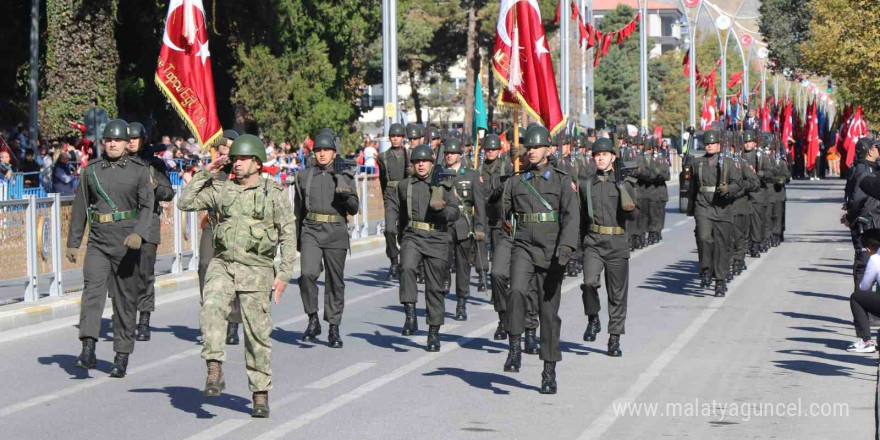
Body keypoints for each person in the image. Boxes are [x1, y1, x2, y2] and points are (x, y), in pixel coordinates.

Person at [178, 134, 296, 418]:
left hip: (257, 269)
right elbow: (185, 202)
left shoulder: (274, 194)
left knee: (257, 334)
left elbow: (289, 236)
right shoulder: (223, 189)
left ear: (257, 163)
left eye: (243, 159)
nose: (237, 164)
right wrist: (209, 170)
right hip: (224, 264)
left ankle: (259, 392)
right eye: (235, 159)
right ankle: (214, 367)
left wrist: (284, 274)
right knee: (211, 307)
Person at [66, 119, 155, 378]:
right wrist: (73, 242)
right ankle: (88, 348)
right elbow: (80, 207)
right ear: (103, 142)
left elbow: (147, 206)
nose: (113, 144)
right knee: (92, 291)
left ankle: (121, 354)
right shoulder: (91, 171)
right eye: (108, 140)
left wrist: (139, 232)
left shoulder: (139, 170)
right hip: (98, 241)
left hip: (127, 243)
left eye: (117, 140)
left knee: (125, 300)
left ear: (128, 144)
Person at [501, 125, 579, 394]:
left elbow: (572, 216)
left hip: (551, 250)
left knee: (548, 313)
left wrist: (567, 246)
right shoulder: (516, 180)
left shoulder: (561, 180)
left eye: (535, 147)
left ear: (548, 148)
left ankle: (548, 371)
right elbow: (503, 214)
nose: (531, 151)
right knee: (516, 292)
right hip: (523, 245)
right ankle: (514, 347)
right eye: (528, 147)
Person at [386, 144, 459, 351]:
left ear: (431, 162)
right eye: (417, 162)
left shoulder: (444, 183)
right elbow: (400, 213)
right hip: (413, 235)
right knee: (407, 267)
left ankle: (433, 333)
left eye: (424, 161)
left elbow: (455, 213)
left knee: (435, 288)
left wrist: (442, 211)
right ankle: (410, 315)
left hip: (437, 236)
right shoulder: (405, 185)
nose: (420, 165)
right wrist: (398, 234)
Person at [294, 132, 359, 347]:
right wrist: (297, 241)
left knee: (334, 280)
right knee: (307, 274)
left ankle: (333, 327)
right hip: (311, 229)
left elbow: (354, 209)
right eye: (318, 151)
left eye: (326, 150)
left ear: (334, 153)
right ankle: (313, 319)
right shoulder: (304, 176)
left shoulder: (345, 174)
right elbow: (299, 210)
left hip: (336, 231)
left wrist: (345, 191)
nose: (322, 154)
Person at [579, 138, 638, 356]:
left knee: (617, 295)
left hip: (617, 242)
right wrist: (577, 248)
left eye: (604, 154)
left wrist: (623, 190)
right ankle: (593, 318)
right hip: (593, 241)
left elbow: (635, 215)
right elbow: (581, 218)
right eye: (597, 154)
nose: (600, 157)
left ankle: (614, 338)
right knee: (588, 283)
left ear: (613, 157)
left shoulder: (625, 182)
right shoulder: (586, 184)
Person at [126, 122, 174, 342]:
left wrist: (154, 185)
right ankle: (126, 318)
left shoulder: (154, 164)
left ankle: (143, 319)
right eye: (128, 139)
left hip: (148, 223)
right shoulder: (118, 164)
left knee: (144, 273)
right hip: (123, 224)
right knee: (124, 274)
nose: (131, 142)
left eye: (135, 138)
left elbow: (168, 192)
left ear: (143, 140)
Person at [197, 130, 244, 345]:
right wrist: (209, 171)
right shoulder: (214, 170)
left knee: (233, 272)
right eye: (222, 146)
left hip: (235, 228)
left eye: (229, 146)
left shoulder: (242, 170)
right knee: (206, 265)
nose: (225, 150)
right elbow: (195, 190)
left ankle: (233, 321)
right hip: (213, 225)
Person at [686, 130, 744, 296]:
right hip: (703, 205)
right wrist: (691, 208)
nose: (710, 146)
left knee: (721, 245)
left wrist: (729, 189)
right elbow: (693, 188)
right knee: (704, 237)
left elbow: (738, 184)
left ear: (719, 145)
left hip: (722, 207)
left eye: (713, 143)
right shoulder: (698, 162)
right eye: (707, 144)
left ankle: (720, 280)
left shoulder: (728, 162)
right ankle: (705, 268)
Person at [443, 138, 487, 321]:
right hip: (444, 226)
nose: (448, 156)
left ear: (459, 155)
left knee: (463, 267)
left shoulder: (471, 175)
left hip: (463, 225)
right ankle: (443, 288)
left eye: (452, 153)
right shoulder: (439, 174)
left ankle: (461, 302)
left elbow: (480, 205)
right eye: (446, 153)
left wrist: (479, 227)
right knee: (441, 262)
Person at [479, 134, 519, 340]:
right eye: (487, 149)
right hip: (487, 221)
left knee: (507, 273)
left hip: (506, 224)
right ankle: (502, 316)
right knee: (495, 271)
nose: (490, 152)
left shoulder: (507, 166)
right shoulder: (479, 169)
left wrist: (516, 159)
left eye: (493, 149)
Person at [844, 138, 880, 288]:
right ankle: (862, 301)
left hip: (871, 220)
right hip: (866, 222)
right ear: (870, 151)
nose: (878, 150)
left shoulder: (866, 168)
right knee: (863, 262)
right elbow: (858, 199)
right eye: (876, 147)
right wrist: (850, 217)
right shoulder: (864, 170)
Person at [376, 123, 411, 280]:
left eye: (398, 136)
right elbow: (382, 178)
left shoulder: (409, 154)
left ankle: (407, 261)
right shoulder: (382, 157)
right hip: (390, 194)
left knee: (405, 230)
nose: (395, 139)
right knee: (390, 229)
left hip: (405, 195)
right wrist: (385, 196)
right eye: (393, 136)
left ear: (403, 138)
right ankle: (393, 260)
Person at [847, 229, 880, 353]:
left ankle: (866, 341)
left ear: (869, 248)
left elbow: (864, 287)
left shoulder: (875, 259)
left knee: (856, 297)